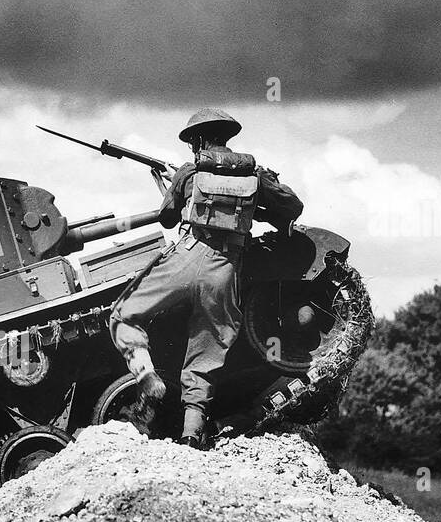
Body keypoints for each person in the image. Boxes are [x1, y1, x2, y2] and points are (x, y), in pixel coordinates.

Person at [109, 108, 304, 447]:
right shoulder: (255, 175)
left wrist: (178, 185)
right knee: (206, 351)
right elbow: (292, 207)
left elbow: (168, 219)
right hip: (225, 270)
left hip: (186, 258)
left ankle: (147, 376)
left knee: (123, 314)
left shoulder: (189, 172)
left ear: (197, 140)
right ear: (227, 137)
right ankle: (191, 433)